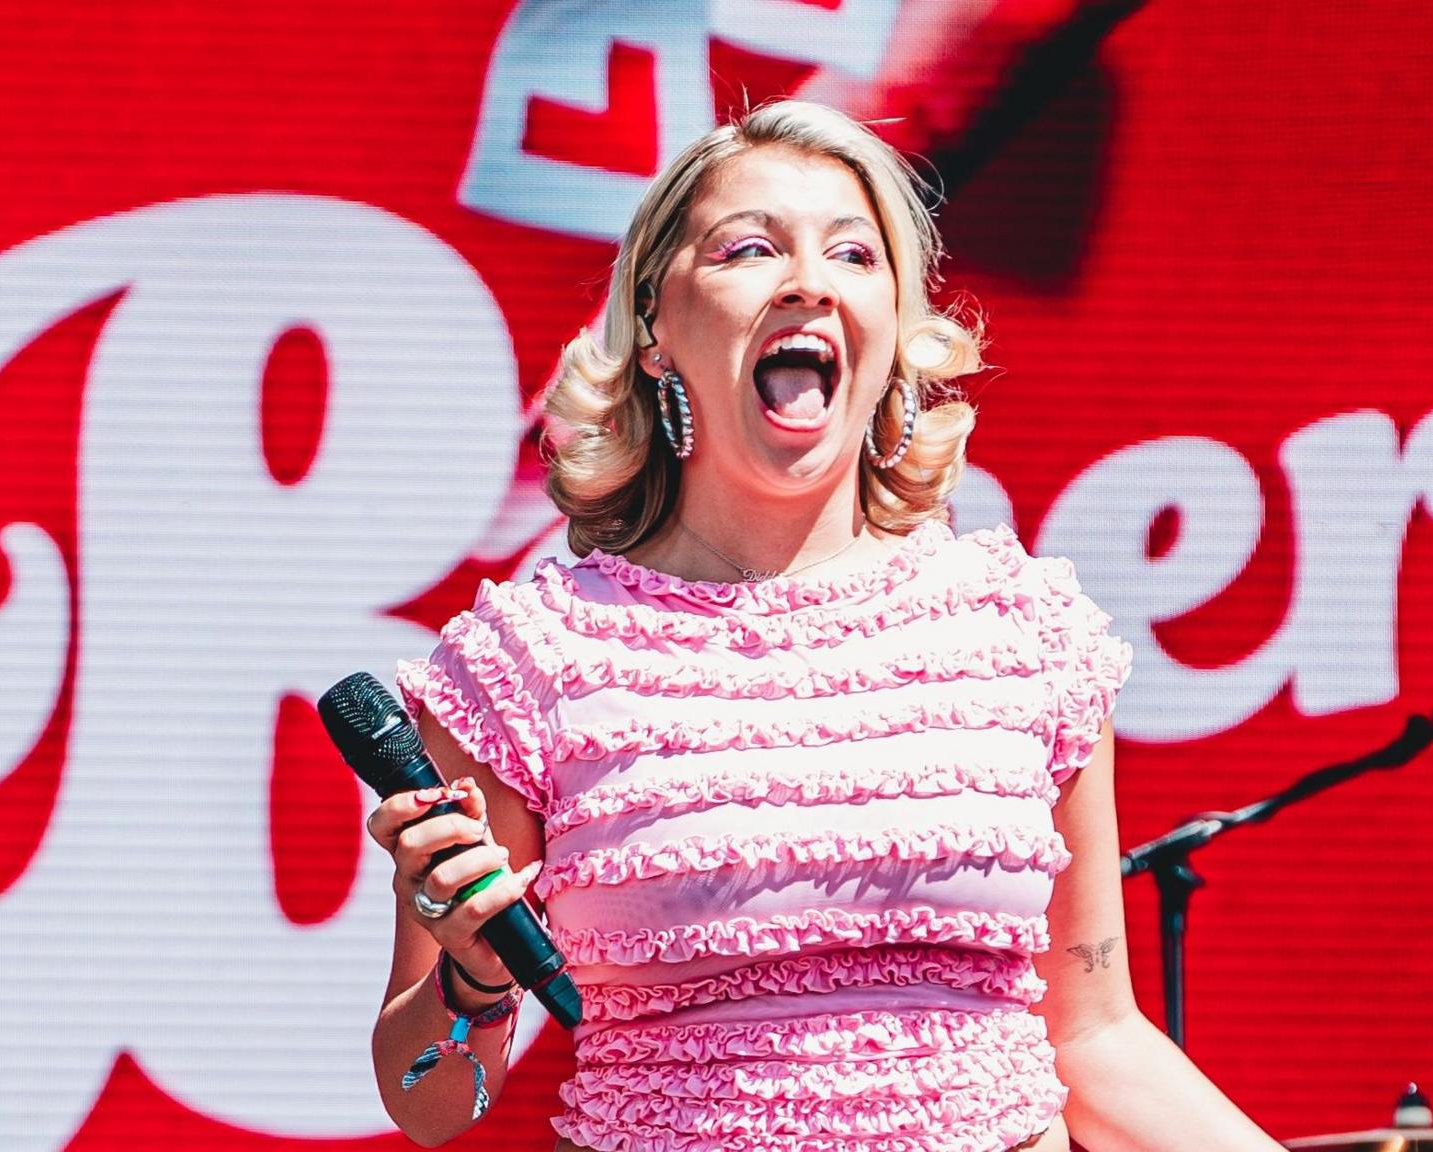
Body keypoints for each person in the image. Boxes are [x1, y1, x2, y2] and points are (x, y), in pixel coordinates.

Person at [363, 100, 1287, 1152]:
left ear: (892, 330)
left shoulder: (1023, 634)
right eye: (748, 248)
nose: (806, 280)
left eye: (852, 252)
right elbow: (431, 1102)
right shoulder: (532, 662)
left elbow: (1095, 1040)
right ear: (655, 324)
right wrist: (474, 974)